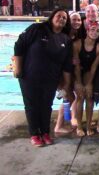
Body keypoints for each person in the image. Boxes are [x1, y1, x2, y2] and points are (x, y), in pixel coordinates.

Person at [13, 8, 73, 146]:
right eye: (59, 16)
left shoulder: (65, 39)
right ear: (52, 17)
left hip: (50, 79)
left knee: (46, 105)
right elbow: (19, 45)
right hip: (30, 76)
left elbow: (66, 65)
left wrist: (66, 85)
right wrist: (17, 67)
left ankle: (45, 132)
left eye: (64, 18)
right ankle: (35, 134)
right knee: (32, 105)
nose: (62, 19)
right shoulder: (37, 29)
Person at [73, 22, 99, 136]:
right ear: (87, 31)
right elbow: (76, 66)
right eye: (92, 29)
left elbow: (94, 67)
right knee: (80, 97)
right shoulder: (77, 44)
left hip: (90, 72)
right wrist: (78, 83)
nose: (95, 32)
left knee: (90, 98)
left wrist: (90, 84)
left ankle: (88, 126)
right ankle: (79, 126)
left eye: (97, 31)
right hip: (78, 72)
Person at [54, 12, 82, 133]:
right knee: (67, 95)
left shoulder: (78, 35)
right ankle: (59, 126)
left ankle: (72, 118)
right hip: (60, 73)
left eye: (79, 20)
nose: (76, 22)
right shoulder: (62, 35)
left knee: (73, 95)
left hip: (70, 72)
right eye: (73, 20)